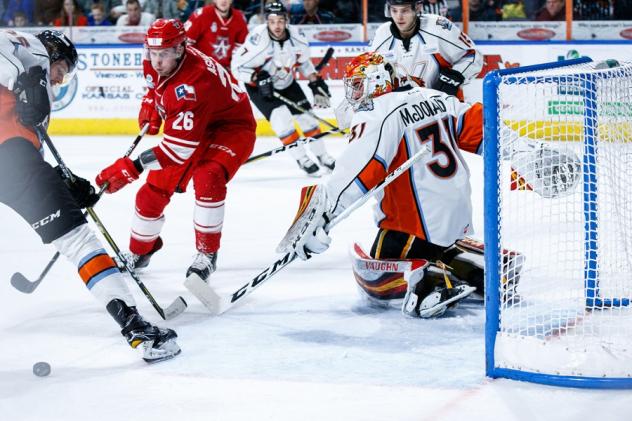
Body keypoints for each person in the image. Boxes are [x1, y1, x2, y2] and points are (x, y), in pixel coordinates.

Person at [0, 29, 180, 362]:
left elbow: (24, 166)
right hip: (9, 155)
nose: (58, 80)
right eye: (61, 70)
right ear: (54, 52)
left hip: (13, 163)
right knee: (79, 242)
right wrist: (34, 77)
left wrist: (62, 184)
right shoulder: (34, 51)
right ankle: (137, 329)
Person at [278, 52, 487, 318]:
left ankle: (430, 282)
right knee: (439, 248)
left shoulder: (378, 111)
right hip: (457, 219)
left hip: (414, 225)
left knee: (382, 261)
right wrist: (529, 155)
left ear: (376, 81)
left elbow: (358, 170)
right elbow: (483, 127)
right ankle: (479, 271)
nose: (354, 92)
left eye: (357, 84)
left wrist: (320, 214)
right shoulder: (436, 97)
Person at [95, 19, 256, 283]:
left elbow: (177, 152)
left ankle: (207, 254)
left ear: (180, 49)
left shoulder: (192, 85)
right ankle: (140, 252)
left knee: (208, 176)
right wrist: (151, 101)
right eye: (153, 53)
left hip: (229, 128)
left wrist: (132, 166)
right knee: (152, 192)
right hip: (194, 126)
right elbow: (154, 86)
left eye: (164, 54)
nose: (157, 61)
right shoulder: (156, 59)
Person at [231, 2, 335, 176]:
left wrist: (314, 80)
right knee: (282, 119)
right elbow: (236, 67)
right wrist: (255, 78)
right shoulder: (258, 41)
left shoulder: (297, 38)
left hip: (286, 82)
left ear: (287, 21)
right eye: (272, 21)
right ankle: (302, 158)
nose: (277, 26)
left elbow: (303, 63)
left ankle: (323, 156)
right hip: (259, 87)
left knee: (308, 119)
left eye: (280, 21)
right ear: (267, 22)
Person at [369, 0, 483, 97]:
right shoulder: (381, 35)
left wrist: (452, 79)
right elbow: (370, 71)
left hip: (444, 107)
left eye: (405, 10)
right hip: (404, 112)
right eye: (394, 10)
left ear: (417, 8)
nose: (399, 17)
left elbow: (473, 55)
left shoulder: (438, 26)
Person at [184, 0, 248, 71]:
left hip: (227, 69)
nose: (224, 1)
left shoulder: (240, 18)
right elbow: (186, 42)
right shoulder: (202, 14)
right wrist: (197, 63)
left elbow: (242, 46)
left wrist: (233, 64)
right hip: (202, 68)